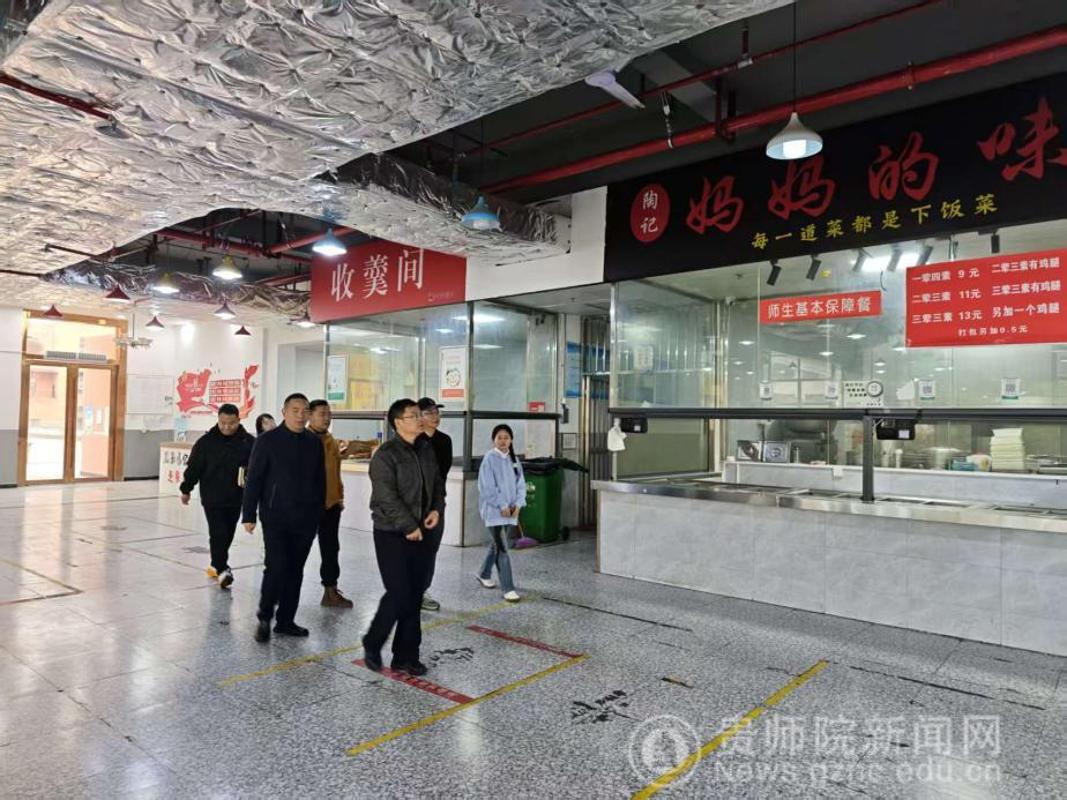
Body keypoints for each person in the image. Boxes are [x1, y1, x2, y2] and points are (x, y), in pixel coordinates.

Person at [361, 398, 444, 676]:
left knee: (415, 593)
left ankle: (406, 656)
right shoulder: (386, 455)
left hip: (423, 530)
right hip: (391, 533)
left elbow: (437, 484)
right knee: (399, 592)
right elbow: (386, 497)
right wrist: (408, 526)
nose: (420, 419)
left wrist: (436, 509)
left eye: (420, 415)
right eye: (413, 416)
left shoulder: (426, 449)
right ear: (398, 423)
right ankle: (372, 641)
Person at [242, 393, 326, 642]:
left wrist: (318, 512)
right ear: (284, 412)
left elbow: (320, 480)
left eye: (305, 411)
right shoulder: (267, 441)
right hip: (276, 516)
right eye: (295, 410)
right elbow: (254, 478)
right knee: (276, 567)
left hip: (306, 518)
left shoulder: (314, 442)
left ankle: (286, 621)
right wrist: (249, 514)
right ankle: (264, 616)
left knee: (295, 570)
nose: (300, 416)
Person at [179, 403, 254, 590]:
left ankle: (216, 563)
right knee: (218, 532)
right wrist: (186, 489)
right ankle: (222, 570)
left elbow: (258, 469)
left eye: (231, 423)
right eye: (222, 423)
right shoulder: (206, 442)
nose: (227, 427)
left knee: (227, 533)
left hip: (236, 497)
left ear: (239, 420)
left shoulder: (248, 442)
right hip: (212, 497)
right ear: (218, 420)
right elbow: (194, 468)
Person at [307, 399, 353, 609]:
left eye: (329, 414)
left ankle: (330, 591)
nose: (327, 418)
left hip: (331, 505)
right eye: (322, 414)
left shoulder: (331, 439)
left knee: (331, 549)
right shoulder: (303, 440)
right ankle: (283, 591)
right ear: (310, 416)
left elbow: (335, 472)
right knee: (297, 549)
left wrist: (339, 497)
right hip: (307, 505)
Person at [477, 424, 525, 603]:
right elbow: (487, 487)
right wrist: (502, 504)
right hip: (495, 511)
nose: (503, 441)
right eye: (499, 437)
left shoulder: (514, 459)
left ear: (511, 440)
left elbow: (521, 484)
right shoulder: (489, 458)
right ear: (493, 440)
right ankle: (508, 588)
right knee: (503, 548)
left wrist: (518, 504)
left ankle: (483, 573)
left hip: (511, 511)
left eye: (506, 437)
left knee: (497, 545)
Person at [416, 397, 452, 612]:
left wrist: (436, 505)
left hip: (436, 503)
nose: (435, 416)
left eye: (437, 412)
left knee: (431, 549)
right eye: (429, 413)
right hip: (414, 505)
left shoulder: (444, 441)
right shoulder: (413, 440)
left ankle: (422, 590)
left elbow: (441, 474)